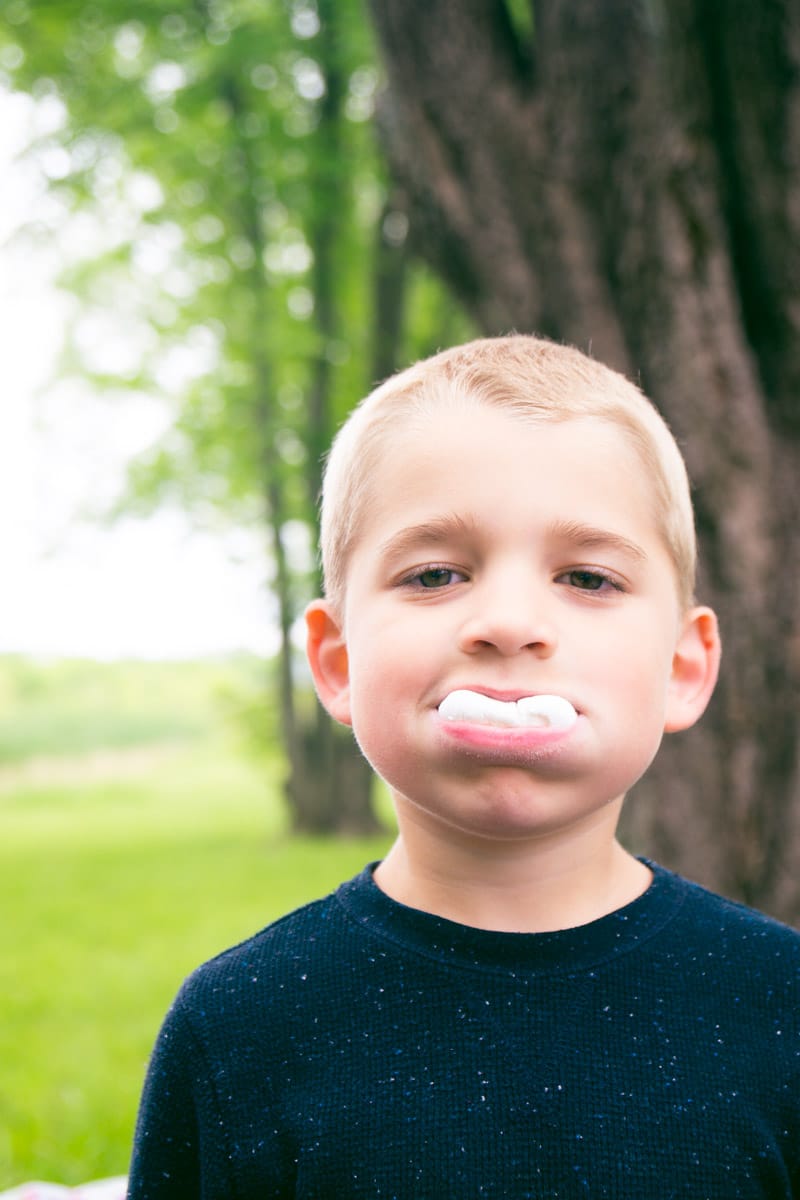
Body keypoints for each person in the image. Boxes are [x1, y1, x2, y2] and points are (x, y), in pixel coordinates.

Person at [127, 335, 800, 1199]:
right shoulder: (239, 1027)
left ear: (682, 668)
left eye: (588, 579)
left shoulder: (778, 1005)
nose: (510, 622)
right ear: (336, 663)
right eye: (436, 573)